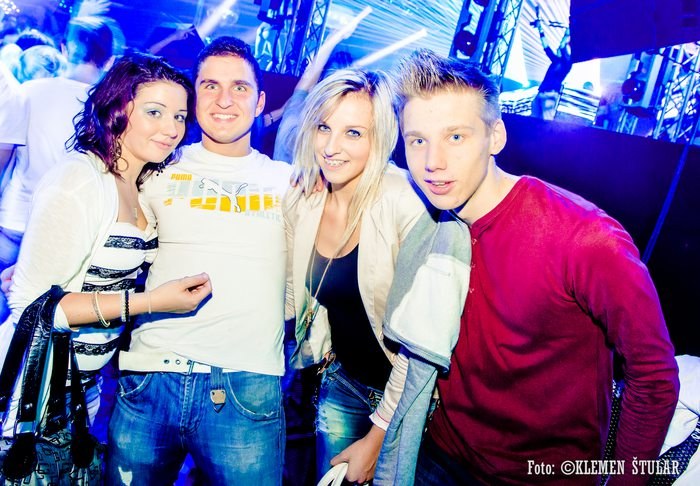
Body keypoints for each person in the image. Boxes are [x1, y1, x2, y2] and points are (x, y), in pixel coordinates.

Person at [375, 49, 679, 485]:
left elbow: (653, 376)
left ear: (495, 136)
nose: (432, 162)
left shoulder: (585, 239)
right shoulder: (432, 219)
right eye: (417, 140)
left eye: (456, 137)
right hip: (439, 454)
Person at [106, 36, 292, 485]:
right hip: (150, 378)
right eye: (210, 86)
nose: (224, 100)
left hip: (247, 386)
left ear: (260, 102)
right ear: (193, 97)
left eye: (239, 87)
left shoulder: (291, 182)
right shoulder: (155, 170)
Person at [0, 52, 211, 440]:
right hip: (34, 391)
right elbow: (32, 308)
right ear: (117, 108)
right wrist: (150, 302)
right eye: (154, 112)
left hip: (82, 388)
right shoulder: (79, 181)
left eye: (180, 117)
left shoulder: (140, 184)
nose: (171, 128)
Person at [283, 68, 426, 483]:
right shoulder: (304, 199)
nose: (331, 147)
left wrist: (378, 437)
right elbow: (290, 296)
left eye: (353, 133)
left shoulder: (405, 203)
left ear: (380, 138)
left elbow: (420, 341)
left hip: (409, 397)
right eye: (323, 128)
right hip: (342, 382)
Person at [0, 17, 114, 322]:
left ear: (64, 48)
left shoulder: (29, 91)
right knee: (36, 321)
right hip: (66, 230)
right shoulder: (109, 108)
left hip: (15, 219)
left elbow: (5, 158)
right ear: (109, 58)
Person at [530, 22, 571, 120]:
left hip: (550, 95)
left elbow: (562, 45)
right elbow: (546, 47)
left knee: (546, 121)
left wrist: (567, 33)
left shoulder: (566, 64)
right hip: (541, 93)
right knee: (533, 120)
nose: (557, 48)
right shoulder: (555, 60)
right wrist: (540, 29)